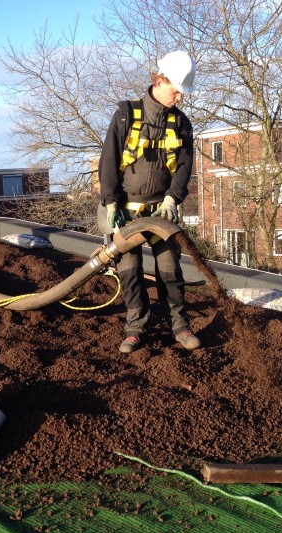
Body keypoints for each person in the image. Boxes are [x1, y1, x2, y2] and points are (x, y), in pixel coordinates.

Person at [97, 50, 201, 354]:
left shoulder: (181, 124)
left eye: (182, 93)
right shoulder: (127, 115)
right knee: (129, 271)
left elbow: (184, 166)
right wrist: (110, 202)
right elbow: (108, 161)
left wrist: (172, 198)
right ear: (160, 80)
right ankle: (135, 329)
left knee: (170, 270)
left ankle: (180, 327)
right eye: (176, 90)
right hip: (127, 212)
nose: (179, 97)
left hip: (161, 211)